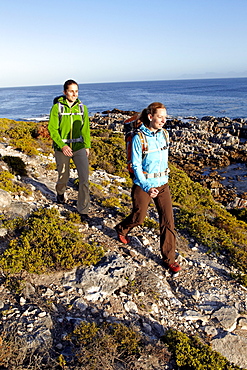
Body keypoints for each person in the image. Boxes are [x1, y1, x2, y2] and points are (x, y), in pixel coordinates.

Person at [114, 102, 181, 273]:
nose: (164, 120)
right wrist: (147, 186)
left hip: (163, 184)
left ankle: (169, 259)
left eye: (165, 117)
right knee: (139, 217)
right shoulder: (139, 138)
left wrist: (164, 179)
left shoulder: (164, 134)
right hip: (143, 184)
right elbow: (136, 166)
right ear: (150, 117)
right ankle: (122, 228)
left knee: (168, 221)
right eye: (160, 117)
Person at [48, 79, 91, 221]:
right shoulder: (57, 108)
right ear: (65, 92)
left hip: (79, 147)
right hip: (62, 149)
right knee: (63, 176)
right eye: (71, 91)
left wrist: (87, 145)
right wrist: (62, 145)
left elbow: (85, 129)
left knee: (84, 179)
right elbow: (52, 129)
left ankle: (83, 210)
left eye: (76, 91)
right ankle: (60, 193)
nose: (74, 94)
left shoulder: (82, 108)